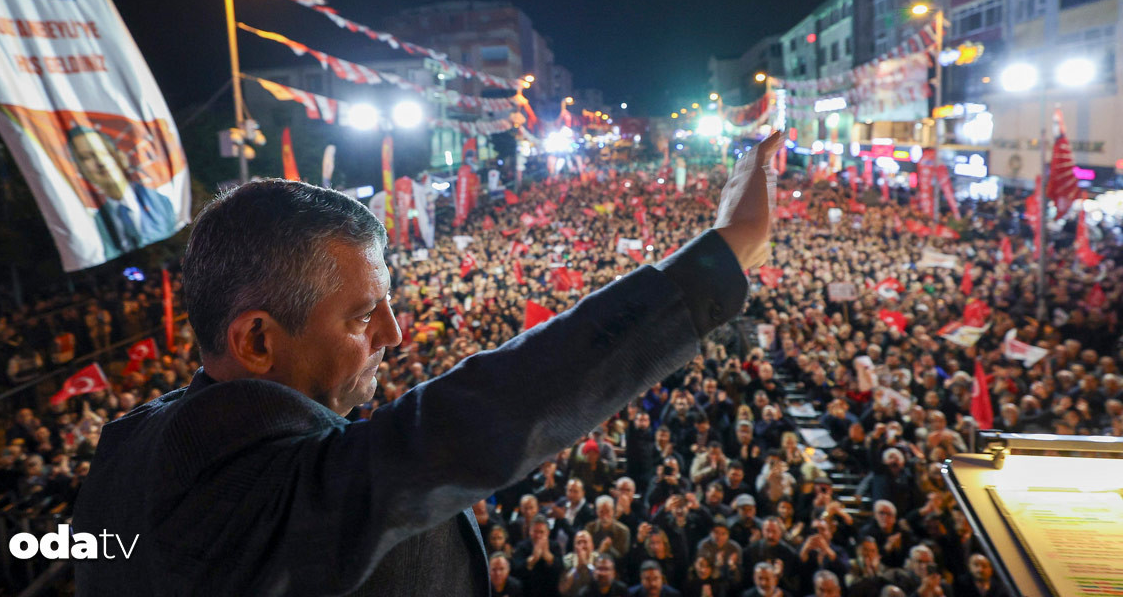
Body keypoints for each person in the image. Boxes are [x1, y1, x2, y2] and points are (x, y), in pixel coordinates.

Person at [71, 131, 781, 596]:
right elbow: (486, 412)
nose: (395, 332)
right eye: (361, 315)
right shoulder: (268, 492)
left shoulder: (129, 447)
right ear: (257, 339)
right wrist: (715, 263)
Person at [66, 124, 178, 259]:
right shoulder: (97, 226)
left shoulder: (163, 203)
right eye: (87, 157)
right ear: (80, 170)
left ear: (121, 157)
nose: (100, 162)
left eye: (103, 152)